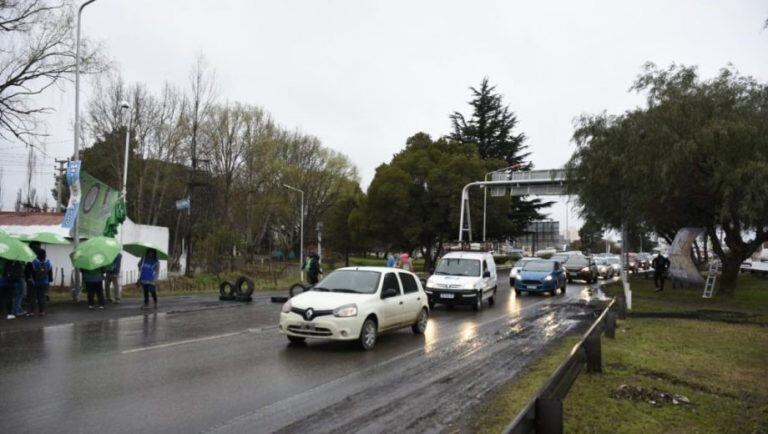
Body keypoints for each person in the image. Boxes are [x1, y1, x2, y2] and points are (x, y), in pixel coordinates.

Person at [29, 250, 53, 316]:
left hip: (34, 282)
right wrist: (50, 280)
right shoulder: (48, 262)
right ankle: (42, 311)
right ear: (45, 254)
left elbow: (31, 272)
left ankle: (32, 312)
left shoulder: (34, 262)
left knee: (33, 297)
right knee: (42, 297)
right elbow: (50, 273)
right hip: (44, 282)